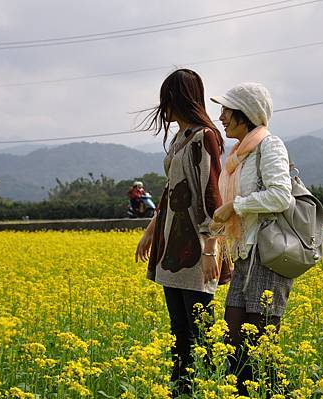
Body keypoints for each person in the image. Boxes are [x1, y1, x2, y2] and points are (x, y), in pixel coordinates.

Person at [134, 68, 230, 396]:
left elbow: (212, 195)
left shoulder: (205, 137)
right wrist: (151, 230)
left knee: (201, 333)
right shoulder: (179, 138)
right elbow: (170, 191)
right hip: (172, 245)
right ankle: (181, 391)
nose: (163, 107)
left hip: (198, 247)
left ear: (180, 99)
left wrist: (210, 250)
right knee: (179, 332)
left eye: (167, 99)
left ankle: (215, 388)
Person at [210, 82, 293, 395]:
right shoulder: (238, 156)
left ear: (245, 115)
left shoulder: (269, 146)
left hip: (268, 254)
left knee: (260, 348)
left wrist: (235, 205)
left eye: (227, 111)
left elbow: (280, 196)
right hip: (245, 254)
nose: (221, 117)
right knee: (233, 343)